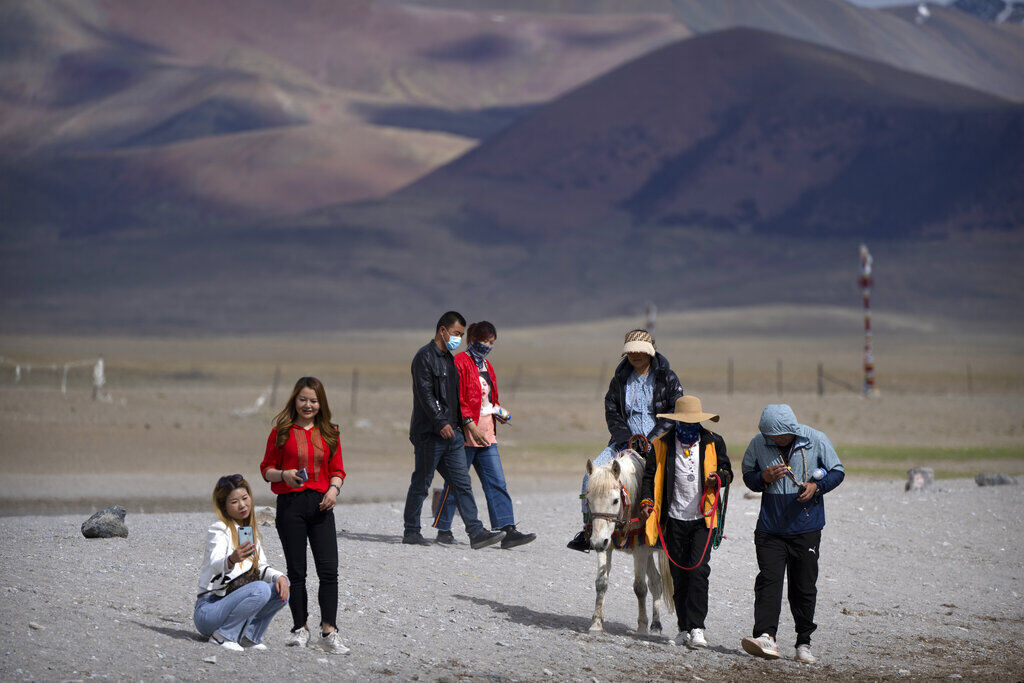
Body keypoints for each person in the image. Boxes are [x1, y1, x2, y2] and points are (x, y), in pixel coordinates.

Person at [739, 404, 845, 664]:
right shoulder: (758, 442)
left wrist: (816, 487)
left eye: (775, 436)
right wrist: (763, 477)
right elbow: (748, 476)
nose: (770, 440)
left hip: (806, 528)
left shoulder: (816, 439)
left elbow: (837, 471)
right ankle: (766, 637)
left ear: (789, 431)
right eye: (767, 435)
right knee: (768, 582)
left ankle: (803, 643)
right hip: (770, 529)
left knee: (803, 586)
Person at [568, 328, 684, 552]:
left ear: (651, 352)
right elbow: (612, 412)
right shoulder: (619, 380)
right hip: (622, 443)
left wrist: (652, 439)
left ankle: (671, 530)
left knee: (674, 479)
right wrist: (626, 440)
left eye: (641, 350)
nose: (636, 355)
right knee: (588, 477)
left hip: (659, 443)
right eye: (631, 351)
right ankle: (588, 530)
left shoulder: (667, 377)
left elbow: (675, 410)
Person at [260, 377, 348, 655]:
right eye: (303, 399)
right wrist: (284, 474)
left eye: (313, 400)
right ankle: (300, 629)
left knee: (329, 571)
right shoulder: (281, 432)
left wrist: (333, 490)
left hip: (322, 505)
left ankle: (329, 632)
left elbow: (338, 470)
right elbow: (266, 470)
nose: (308, 405)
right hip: (290, 505)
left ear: (321, 403)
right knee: (297, 572)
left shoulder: (330, 432)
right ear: (294, 401)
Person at [402, 311, 505, 550]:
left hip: (453, 435)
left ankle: (476, 531)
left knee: (462, 482)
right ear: (442, 330)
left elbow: (456, 398)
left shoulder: (449, 359)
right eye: (457, 333)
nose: (458, 338)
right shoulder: (424, 357)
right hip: (430, 434)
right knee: (422, 481)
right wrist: (440, 422)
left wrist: (462, 424)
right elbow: (425, 395)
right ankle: (411, 530)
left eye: (460, 334)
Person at [433, 321, 536, 549]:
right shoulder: (459, 363)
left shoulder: (487, 366)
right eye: (485, 341)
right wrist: (471, 426)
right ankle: (443, 528)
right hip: (465, 434)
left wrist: (500, 412)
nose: (488, 346)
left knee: (497, 481)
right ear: (472, 340)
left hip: (487, 433)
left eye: (492, 342)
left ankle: (507, 530)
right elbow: (457, 399)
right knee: (457, 482)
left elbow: (489, 399)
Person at [639, 396, 731, 649]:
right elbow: (649, 477)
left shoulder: (714, 441)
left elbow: (727, 471)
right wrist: (646, 500)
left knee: (699, 572)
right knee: (679, 575)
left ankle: (698, 627)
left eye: (694, 423)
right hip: (674, 520)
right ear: (676, 422)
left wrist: (719, 478)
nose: (689, 428)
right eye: (684, 423)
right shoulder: (660, 445)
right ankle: (683, 628)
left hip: (704, 519)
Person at [195, 474, 289, 651]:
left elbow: (261, 568)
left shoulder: (248, 531)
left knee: (282, 587)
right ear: (224, 506)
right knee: (260, 588)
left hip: (230, 601)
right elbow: (215, 563)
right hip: (209, 609)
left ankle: (248, 637)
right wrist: (231, 559)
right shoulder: (219, 529)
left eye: (245, 498)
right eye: (234, 502)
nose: (242, 505)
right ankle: (222, 636)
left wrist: (280, 576)